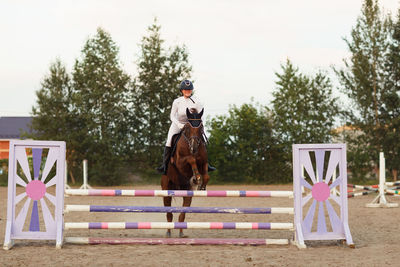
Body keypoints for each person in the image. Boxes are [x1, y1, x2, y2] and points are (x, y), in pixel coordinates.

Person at [156, 80, 216, 174]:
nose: (187, 91)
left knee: (202, 139)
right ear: (182, 90)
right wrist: (179, 125)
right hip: (178, 123)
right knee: (169, 141)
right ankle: (164, 165)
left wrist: (199, 125)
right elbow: (172, 116)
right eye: (185, 90)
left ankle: (207, 164)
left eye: (189, 90)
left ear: (191, 90)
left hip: (192, 125)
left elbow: (201, 115)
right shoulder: (177, 102)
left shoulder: (196, 101)